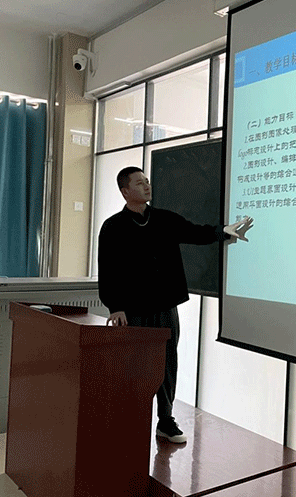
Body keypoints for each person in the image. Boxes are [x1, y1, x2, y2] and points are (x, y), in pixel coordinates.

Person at [98, 166, 252, 444]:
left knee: (167, 362)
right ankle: (130, 417)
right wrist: (115, 307)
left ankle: (165, 420)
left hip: (166, 306)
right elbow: (107, 270)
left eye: (147, 181)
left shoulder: (164, 219)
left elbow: (195, 232)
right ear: (125, 191)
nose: (147, 186)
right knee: (135, 364)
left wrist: (224, 231)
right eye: (139, 183)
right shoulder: (113, 227)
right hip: (132, 309)